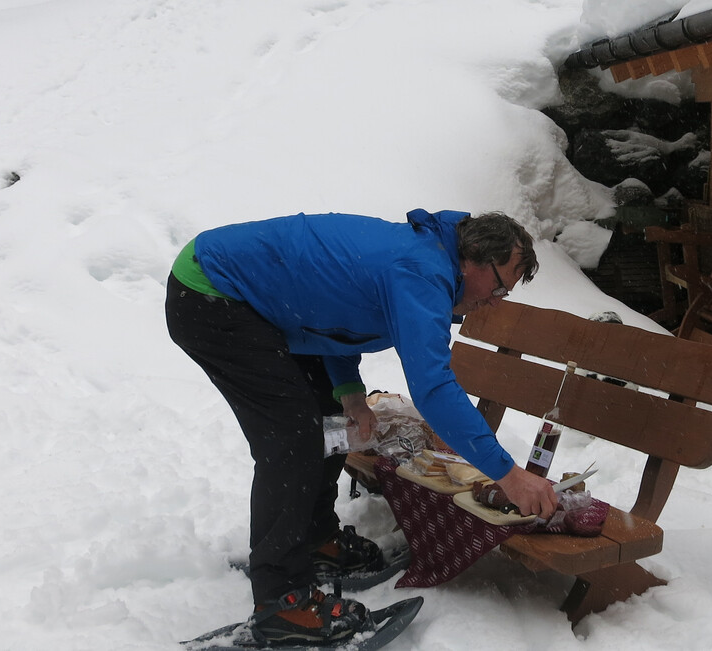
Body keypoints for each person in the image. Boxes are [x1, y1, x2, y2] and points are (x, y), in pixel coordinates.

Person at [165, 209, 559, 646]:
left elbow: (330, 313)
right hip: (211, 292)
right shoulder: (422, 271)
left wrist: (349, 393)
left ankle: (314, 540)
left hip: (259, 303)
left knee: (327, 421)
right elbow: (433, 387)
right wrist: (507, 475)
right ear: (474, 260)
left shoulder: (428, 258)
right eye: (500, 285)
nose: (497, 299)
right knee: (293, 439)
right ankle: (282, 603)